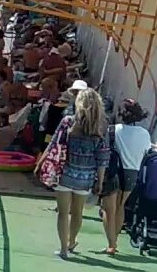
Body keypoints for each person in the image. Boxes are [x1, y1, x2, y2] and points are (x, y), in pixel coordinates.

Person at [41, 88, 111, 260]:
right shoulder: (101, 127)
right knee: (78, 212)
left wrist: (43, 161)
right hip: (86, 176)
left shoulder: (68, 122)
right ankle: (72, 241)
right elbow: (102, 157)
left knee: (63, 213)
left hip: (64, 172)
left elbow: (54, 144)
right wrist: (100, 181)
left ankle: (64, 249)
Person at [100, 99, 151, 255]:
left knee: (108, 209)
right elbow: (146, 152)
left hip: (113, 171)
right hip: (132, 173)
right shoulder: (145, 134)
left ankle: (111, 244)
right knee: (120, 207)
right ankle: (114, 240)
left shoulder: (112, 130)